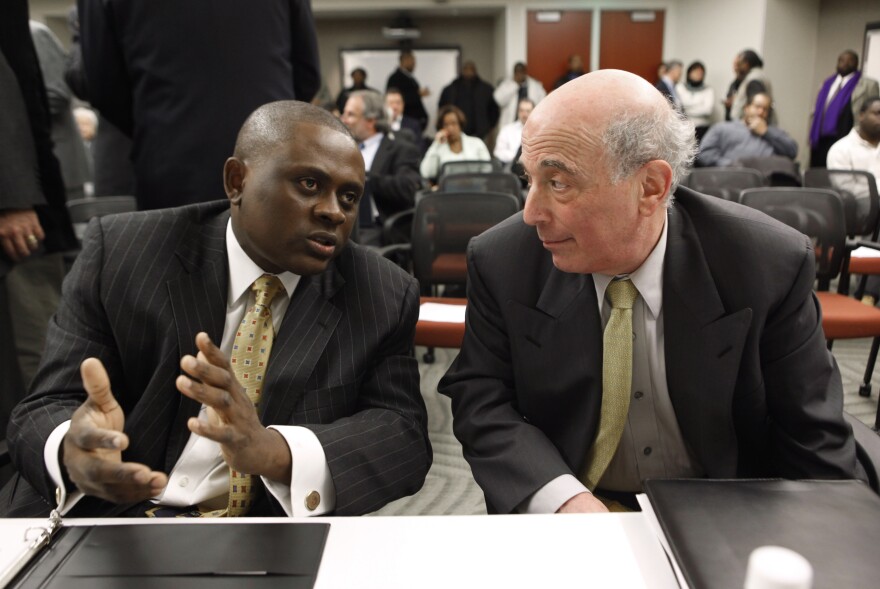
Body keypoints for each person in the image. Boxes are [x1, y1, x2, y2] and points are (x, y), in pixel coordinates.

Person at [438, 69, 858, 515]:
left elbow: (814, 443)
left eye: (558, 183)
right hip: (573, 509)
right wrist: (563, 500)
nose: (531, 213)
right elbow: (481, 399)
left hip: (725, 511)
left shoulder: (765, 264)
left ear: (651, 187)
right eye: (529, 179)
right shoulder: (503, 261)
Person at [2, 101, 432, 518]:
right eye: (309, 184)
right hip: (104, 517)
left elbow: (403, 435)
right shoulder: (122, 254)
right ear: (236, 181)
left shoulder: (382, 293)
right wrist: (74, 450)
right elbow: (42, 406)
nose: (333, 212)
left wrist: (275, 452)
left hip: (262, 542)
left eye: (350, 197)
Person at [77, 0, 320, 211]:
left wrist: (157, 124)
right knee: (275, 262)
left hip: (170, 163)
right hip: (272, 156)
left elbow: (103, 85)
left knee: (175, 261)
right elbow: (307, 75)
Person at [1, 1, 78, 397]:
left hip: (24, 204)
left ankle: (46, 442)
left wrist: (15, 198)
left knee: (37, 346)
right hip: (26, 194)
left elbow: (17, 88)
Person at [341, 90, 423, 246]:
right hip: (341, 223)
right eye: (344, 114)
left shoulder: (401, 149)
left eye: (350, 115)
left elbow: (407, 188)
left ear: (371, 121)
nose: (344, 120)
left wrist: (367, 179)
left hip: (376, 228)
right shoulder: (343, 149)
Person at [826, 97, 880, 305]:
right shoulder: (841, 149)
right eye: (877, 113)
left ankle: (869, 291)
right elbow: (846, 190)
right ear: (861, 115)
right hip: (855, 210)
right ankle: (869, 293)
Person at [809, 50, 880, 168]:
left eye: (850, 60)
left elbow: (874, 106)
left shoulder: (867, 84)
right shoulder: (827, 83)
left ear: (857, 63)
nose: (845, 63)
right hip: (821, 138)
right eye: (841, 60)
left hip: (845, 133)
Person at [697, 92, 797, 167]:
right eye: (757, 106)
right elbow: (704, 153)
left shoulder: (774, 132)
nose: (761, 112)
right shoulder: (722, 128)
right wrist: (732, 166)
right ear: (746, 108)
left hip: (765, 184)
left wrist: (766, 132)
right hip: (730, 180)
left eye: (765, 109)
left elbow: (792, 151)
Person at [419, 105, 491, 182]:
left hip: (475, 189)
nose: (450, 128)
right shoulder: (438, 147)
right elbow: (426, 173)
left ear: (460, 124)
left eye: (454, 123)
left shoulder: (476, 143)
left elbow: (488, 170)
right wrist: (436, 144)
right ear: (441, 127)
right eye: (446, 124)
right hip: (448, 192)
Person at [438, 60, 500, 142]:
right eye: (466, 69)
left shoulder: (486, 89)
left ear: (475, 71)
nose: (468, 71)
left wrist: (489, 127)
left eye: (471, 69)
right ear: (462, 71)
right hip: (455, 132)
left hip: (480, 133)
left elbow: (494, 110)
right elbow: (442, 109)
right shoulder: (450, 89)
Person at [386, 50, 429, 131]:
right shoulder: (395, 78)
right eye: (412, 61)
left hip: (414, 122)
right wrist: (417, 94)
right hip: (405, 123)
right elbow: (400, 98)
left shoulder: (409, 77)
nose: (414, 64)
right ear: (404, 60)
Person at [494, 62, 546, 128]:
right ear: (514, 73)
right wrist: (515, 84)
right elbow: (499, 100)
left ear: (525, 72)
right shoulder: (506, 84)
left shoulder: (535, 85)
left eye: (521, 72)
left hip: (530, 124)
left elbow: (543, 103)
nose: (519, 74)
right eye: (517, 72)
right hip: (510, 124)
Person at [676, 61, 715, 144]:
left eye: (701, 73)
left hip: (701, 129)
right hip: (683, 128)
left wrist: (687, 109)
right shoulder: (680, 87)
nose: (698, 75)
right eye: (695, 72)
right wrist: (698, 106)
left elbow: (707, 110)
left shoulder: (708, 90)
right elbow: (678, 107)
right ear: (689, 73)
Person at [728, 50, 772, 122]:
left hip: (750, 128)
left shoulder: (754, 79)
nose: (736, 68)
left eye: (739, 64)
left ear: (746, 64)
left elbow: (758, 107)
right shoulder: (758, 75)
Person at [494, 98, 534, 167]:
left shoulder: (541, 130)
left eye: (528, 111)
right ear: (517, 111)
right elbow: (498, 152)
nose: (524, 114)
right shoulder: (507, 130)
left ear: (533, 111)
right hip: (511, 168)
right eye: (521, 110)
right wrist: (517, 157)